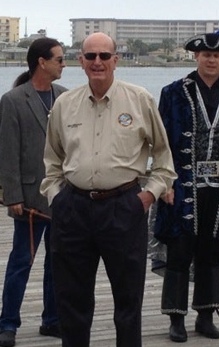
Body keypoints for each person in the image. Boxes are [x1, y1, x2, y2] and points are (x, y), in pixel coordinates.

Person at [40, 32, 176, 347]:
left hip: (123, 209)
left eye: (104, 56)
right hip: (73, 209)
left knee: (128, 304)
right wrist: (56, 197)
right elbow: (52, 159)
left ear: (116, 60)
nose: (97, 62)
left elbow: (165, 158)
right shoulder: (64, 104)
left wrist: (148, 195)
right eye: (91, 57)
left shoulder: (139, 99)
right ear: (81, 62)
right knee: (72, 303)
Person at [153, 28, 219, 343]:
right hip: (182, 185)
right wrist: (164, 182)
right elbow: (160, 142)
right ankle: (176, 319)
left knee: (212, 250)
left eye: (218, 55)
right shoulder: (172, 92)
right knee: (180, 250)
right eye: (206, 54)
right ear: (196, 56)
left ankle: (206, 315)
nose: (211, 60)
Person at [0, 37, 67, 347]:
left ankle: (52, 320)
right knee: (21, 262)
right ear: (42, 62)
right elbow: (7, 152)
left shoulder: (65, 97)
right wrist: (13, 196)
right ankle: (8, 324)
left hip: (63, 198)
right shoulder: (13, 100)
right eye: (59, 59)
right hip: (29, 199)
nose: (64, 64)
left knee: (58, 263)